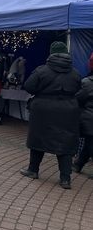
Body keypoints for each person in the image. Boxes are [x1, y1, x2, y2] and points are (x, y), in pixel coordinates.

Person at [20, 41, 81, 189]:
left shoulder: (42, 70)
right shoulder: (75, 73)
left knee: (38, 140)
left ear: (51, 54)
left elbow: (28, 86)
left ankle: (33, 170)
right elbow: (79, 89)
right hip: (68, 111)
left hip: (43, 110)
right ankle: (65, 179)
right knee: (65, 144)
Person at [75, 53, 93, 177]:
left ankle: (78, 164)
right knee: (90, 142)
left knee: (91, 142)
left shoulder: (87, 82)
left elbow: (78, 98)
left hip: (89, 117)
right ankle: (78, 164)